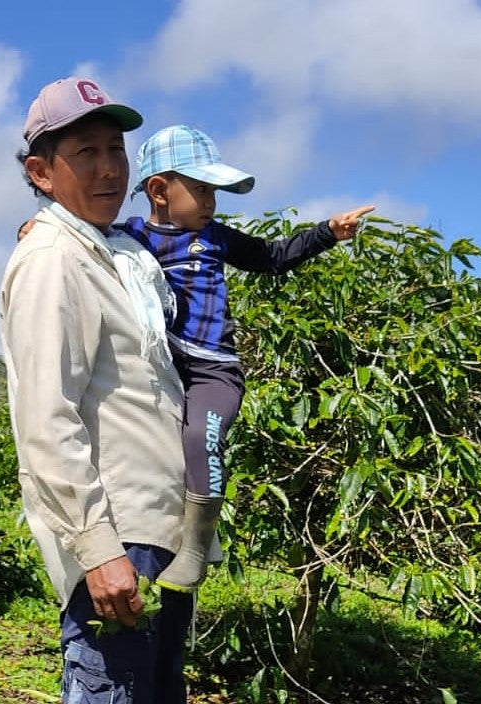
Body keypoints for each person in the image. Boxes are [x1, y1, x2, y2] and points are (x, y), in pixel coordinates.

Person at [0, 77, 194, 703]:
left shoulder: (114, 254)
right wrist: (97, 548)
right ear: (42, 172)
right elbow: (45, 417)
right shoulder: (54, 258)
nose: (110, 167)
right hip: (112, 537)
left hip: (140, 532)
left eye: (116, 148)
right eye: (87, 153)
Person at [120, 124, 375, 592]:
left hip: (215, 371)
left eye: (214, 191)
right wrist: (31, 225)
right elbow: (78, 240)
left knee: (202, 436)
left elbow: (272, 257)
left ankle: (195, 550)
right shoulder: (128, 237)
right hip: (164, 371)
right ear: (159, 190)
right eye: (201, 190)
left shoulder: (216, 238)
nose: (212, 202)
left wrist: (327, 233)